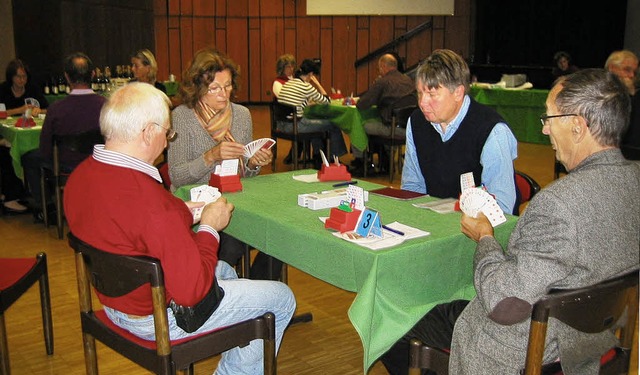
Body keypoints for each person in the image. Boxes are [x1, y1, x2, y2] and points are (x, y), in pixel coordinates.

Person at [380, 68, 640, 375]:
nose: (544, 131)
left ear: (578, 127)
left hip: (531, 345)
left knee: (390, 323)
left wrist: (485, 238)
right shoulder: (634, 181)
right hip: (595, 335)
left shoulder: (558, 203)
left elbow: (503, 305)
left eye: (550, 119)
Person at [64, 82, 296, 375]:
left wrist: (183, 213)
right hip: (156, 317)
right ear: (148, 132)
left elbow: (127, 227)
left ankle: (235, 343)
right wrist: (210, 227)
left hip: (114, 303)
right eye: (166, 132)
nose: (167, 140)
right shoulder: (151, 202)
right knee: (281, 298)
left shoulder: (80, 177)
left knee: (225, 273)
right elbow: (191, 293)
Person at [169, 47, 280, 280]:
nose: (224, 94)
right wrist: (211, 156)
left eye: (228, 86)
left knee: (278, 232)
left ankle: (255, 292)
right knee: (231, 243)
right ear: (197, 88)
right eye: (214, 88)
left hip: (235, 199)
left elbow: (247, 176)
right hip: (197, 206)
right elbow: (177, 178)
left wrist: (253, 163)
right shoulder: (182, 116)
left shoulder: (241, 115)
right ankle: (223, 292)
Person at [401, 49, 518, 214]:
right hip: (432, 222)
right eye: (420, 93)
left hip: (477, 227)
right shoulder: (416, 122)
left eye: (432, 94)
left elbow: (501, 209)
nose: (423, 103)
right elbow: (412, 188)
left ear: (458, 92)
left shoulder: (492, 131)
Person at [21, 52, 106, 220]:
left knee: (29, 158)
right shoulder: (106, 106)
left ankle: (44, 207)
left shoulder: (56, 109)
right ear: (93, 74)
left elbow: (45, 149)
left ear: (67, 77)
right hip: (98, 162)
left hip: (65, 166)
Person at [351, 53, 415, 175]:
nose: (379, 71)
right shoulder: (408, 80)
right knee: (379, 122)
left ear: (383, 66)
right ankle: (385, 160)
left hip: (392, 129)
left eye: (379, 68)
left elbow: (362, 104)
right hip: (408, 128)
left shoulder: (383, 82)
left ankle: (361, 161)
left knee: (361, 125)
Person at [276, 58, 348, 167]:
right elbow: (326, 100)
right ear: (310, 74)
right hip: (296, 126)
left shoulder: (289, 83)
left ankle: (318, 156)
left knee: (316, 126)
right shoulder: (306, 86)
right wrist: (317, 84)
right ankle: (334, 159)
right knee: (332, 124)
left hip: (281, 125)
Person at [0, 59, 50, 213]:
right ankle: (10, 196)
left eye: (24, 77)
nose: (22, 80)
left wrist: (38, 111)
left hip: (27, 131)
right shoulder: (3, 90)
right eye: (18, 77)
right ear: (11, 78)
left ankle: (26, 192)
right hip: (4, 133)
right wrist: (19, 109)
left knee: (33, 151)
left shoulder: (32, 89)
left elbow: (46, 108)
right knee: (5, 150)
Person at [605, 49, 640, 160]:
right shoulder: (599, 90)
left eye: (634, 72)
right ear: (612, 68)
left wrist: (632, 95)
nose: (631, 76)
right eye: (627, 70)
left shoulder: (635, 95)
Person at [272, 54, 303, 165]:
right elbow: (284, 101)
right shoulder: (278, 83)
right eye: (288, 67)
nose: (291, 69)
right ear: (282, 68)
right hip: (285, 119)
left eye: (292, 66)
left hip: (297, 115)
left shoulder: (296, 80)